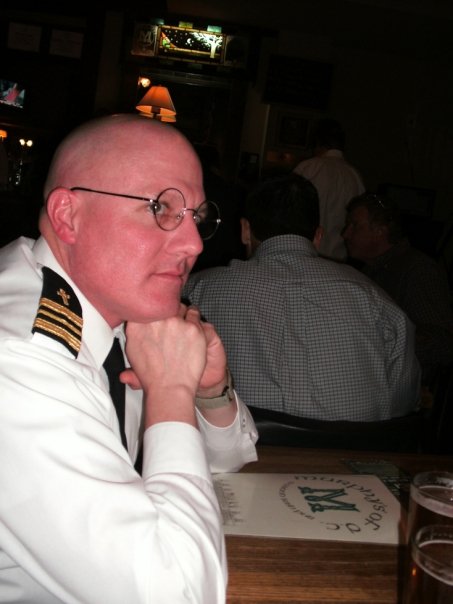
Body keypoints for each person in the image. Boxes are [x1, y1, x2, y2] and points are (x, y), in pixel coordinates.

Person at [0, 113, 258, 603]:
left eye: (197, 217)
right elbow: (180, 593)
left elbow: (226, 461)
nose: (194, 243)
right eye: (161, 207)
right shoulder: (18, 360)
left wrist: (206, 391)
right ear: (68, 216)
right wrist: (170, 391)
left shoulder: (109, 307)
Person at [183, 173, 421, 421]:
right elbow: (403, 404)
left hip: (241, 442)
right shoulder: (376, 300)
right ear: (318, 236)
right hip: (355, 444)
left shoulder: (196, 290)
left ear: (245, 230)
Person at [343, 191, 453, 386]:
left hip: (407, 387)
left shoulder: (418, 270)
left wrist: (376, 342)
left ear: (381, 230)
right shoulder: (372, 269)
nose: (345, 234)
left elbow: (441, 343)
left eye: (355, 226)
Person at [293, 118, 365, 261]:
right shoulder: (355, 176)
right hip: (338, 259)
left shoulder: (308, 168)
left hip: (304, 254)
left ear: (317, 142)